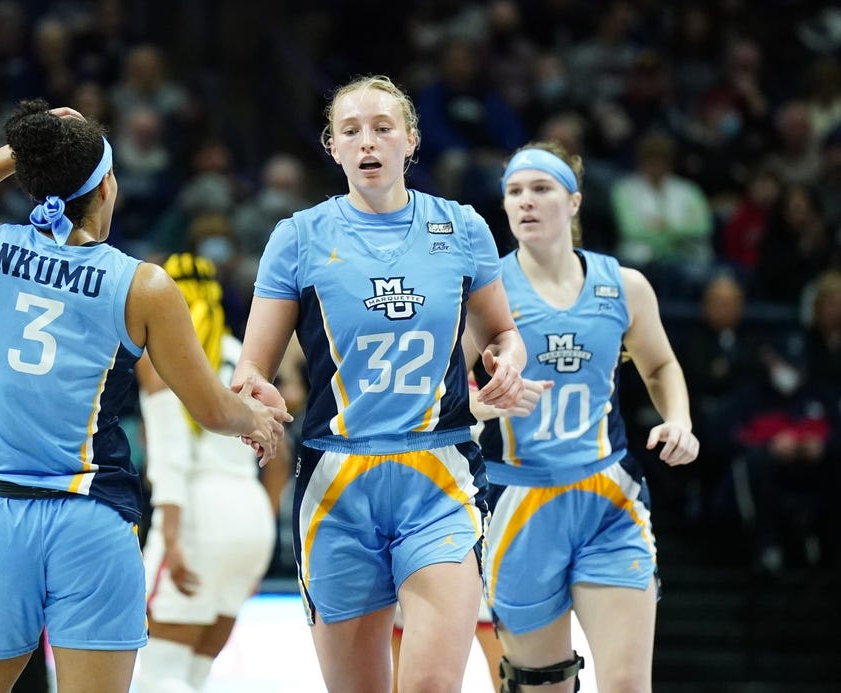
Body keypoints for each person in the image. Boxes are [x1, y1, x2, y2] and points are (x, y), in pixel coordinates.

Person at [0, 98, 290, 693]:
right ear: (107, 188)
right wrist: (258, 418)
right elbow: (213, 410)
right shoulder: (143, 285)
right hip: (91, 519)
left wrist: (21, 152)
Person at [232, 75, 526, 693]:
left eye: (383, 127)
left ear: (411, 141)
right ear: (332, 147)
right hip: (337, 483)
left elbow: (502, 331)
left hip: (439, 473)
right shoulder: (297, 237)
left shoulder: (463, 227)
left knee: (428, 685)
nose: (368, 141)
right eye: (351, 130)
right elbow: (251, 368)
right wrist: (255, 399)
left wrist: (508, 359)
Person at [474, 141, 699, 692]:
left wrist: (679, 419)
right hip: (518, 503)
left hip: (607, 495)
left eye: (541, 189)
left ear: (573, 203)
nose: (525, 201)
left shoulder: (624, 286)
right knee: (540, 684)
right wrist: (483, 404)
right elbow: (450, 396)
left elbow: (662, 363)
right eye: (514, 192)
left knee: (626, 684)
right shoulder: (486, 295)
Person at [135, 252, 280, 693]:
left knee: (160, 674)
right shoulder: (241, 358)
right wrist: (262, 529)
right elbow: (279, 453)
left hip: (196, 514)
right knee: (194, 675)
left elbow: (170, 455)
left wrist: (172, 538)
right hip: (251, 516)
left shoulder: (163, 360)